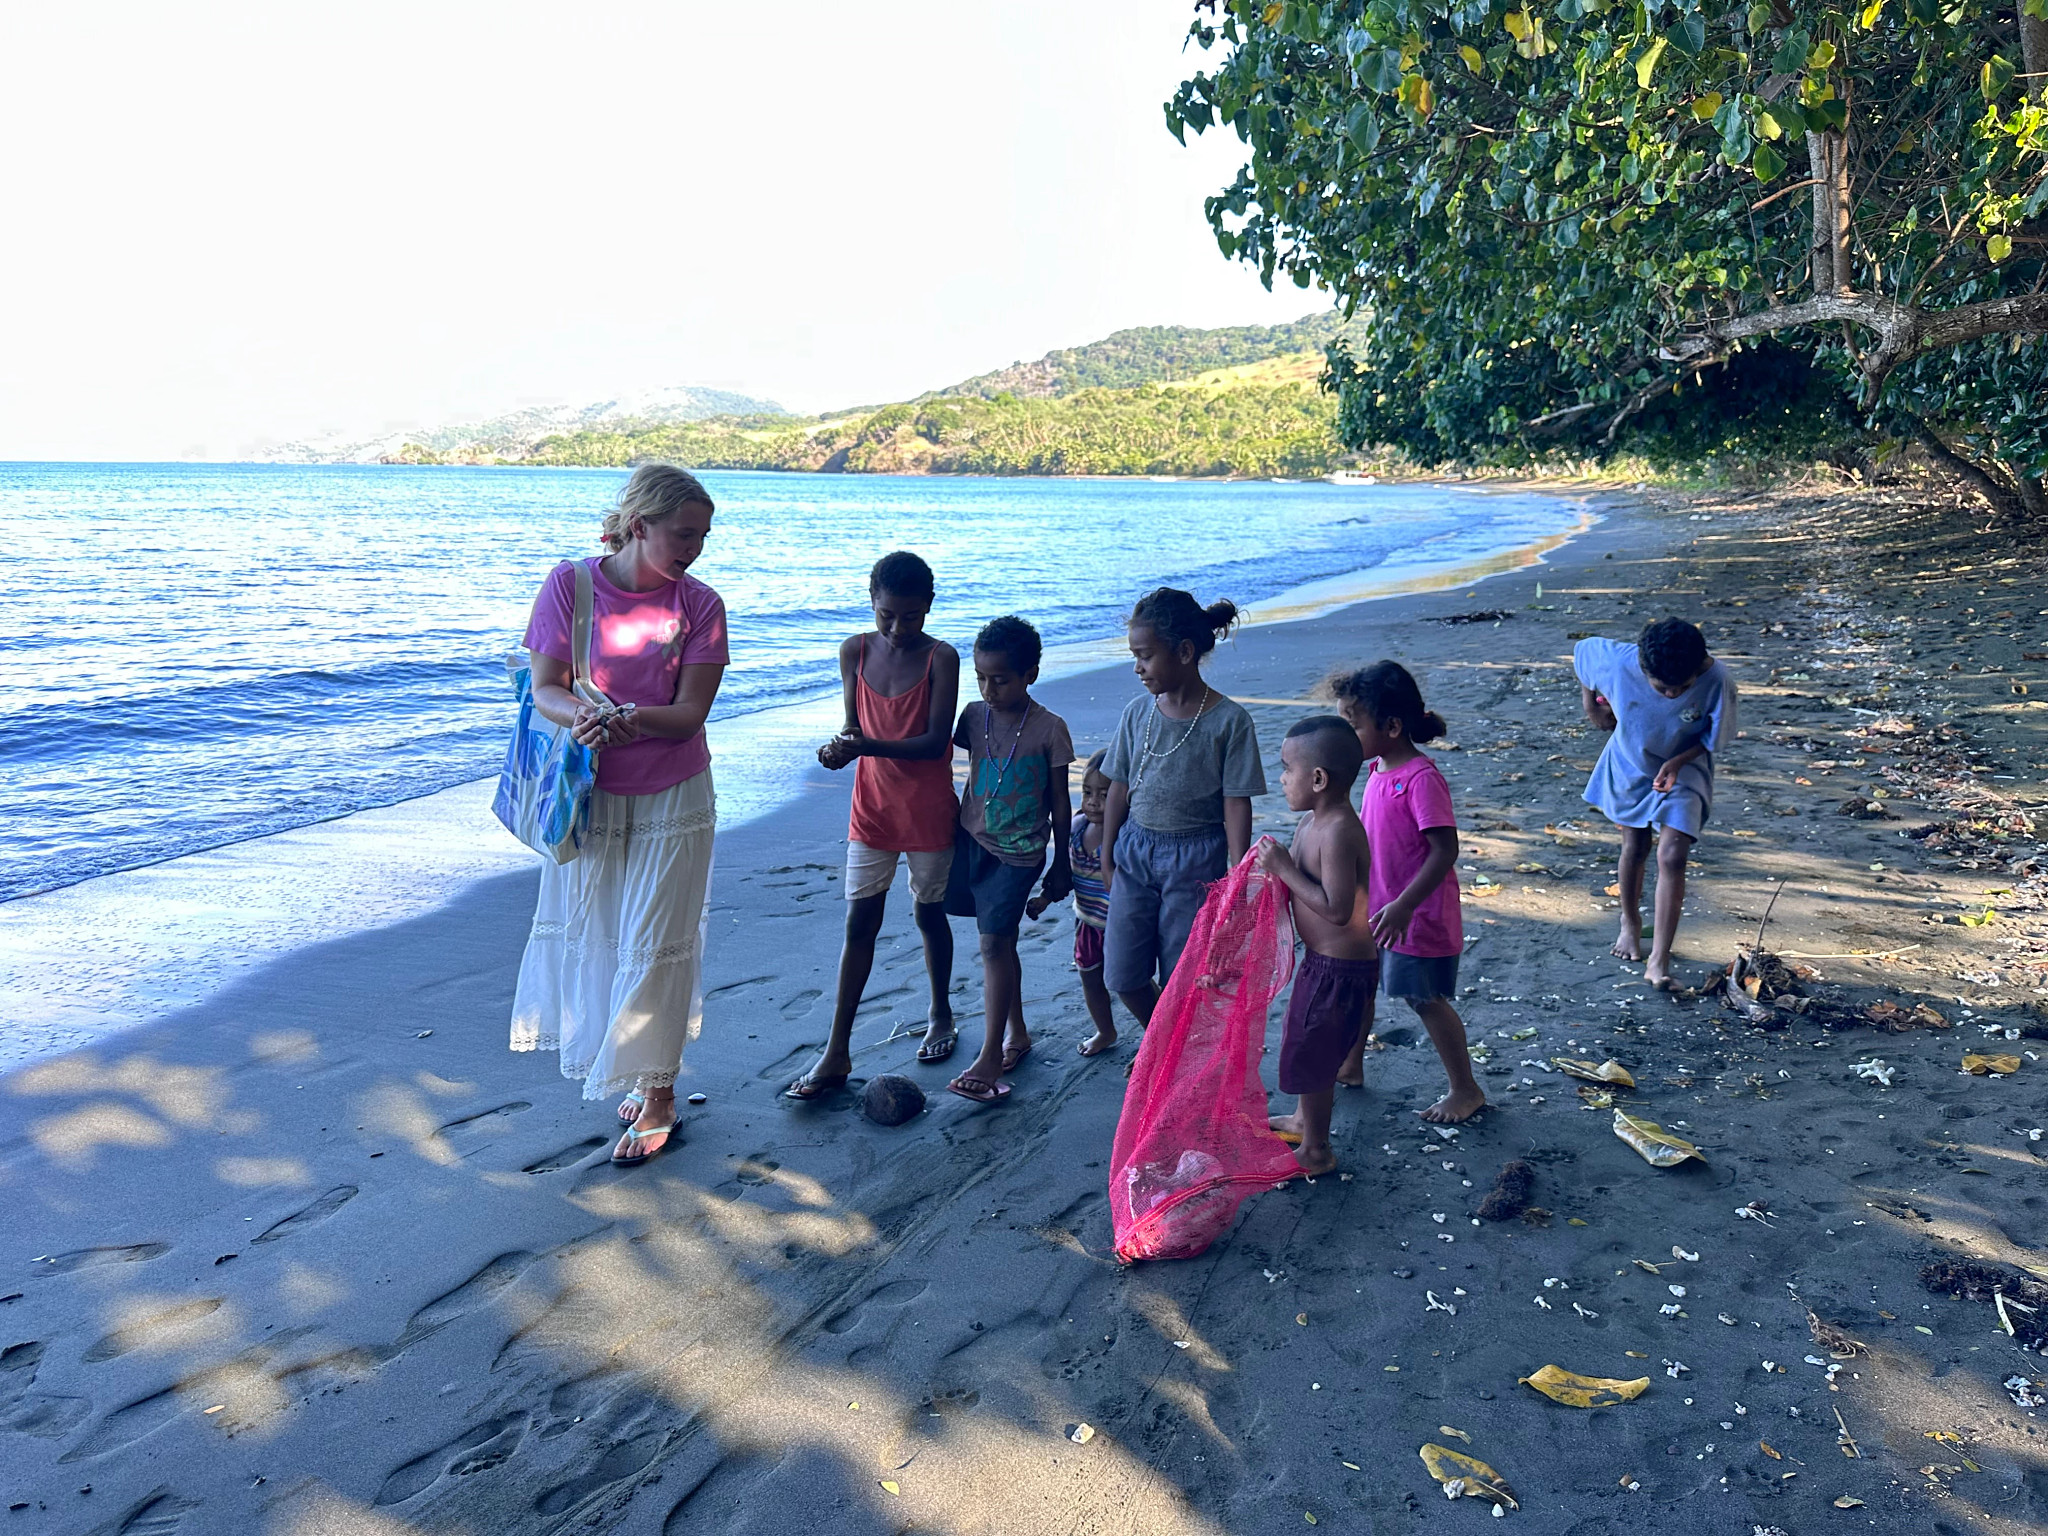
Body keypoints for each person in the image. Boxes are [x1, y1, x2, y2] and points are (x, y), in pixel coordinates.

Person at [510, 463, 728, 1166]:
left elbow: (692, 712)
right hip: (591, 791)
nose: (695, 547)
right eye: (683, 534)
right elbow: (543, 687)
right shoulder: (568, 586)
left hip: (676, 793)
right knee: (603, 935)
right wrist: (585, 717)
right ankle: (640, 1069)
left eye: (703, 535)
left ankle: (659, 1092)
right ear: (640, 526)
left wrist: (627, 721)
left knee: (657, 942)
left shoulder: (701, 604)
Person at [787, 551, 960, 1099]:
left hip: (928, 808)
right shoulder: (854, 651)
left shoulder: (942, 658)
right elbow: (851, 727)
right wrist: (838, 749)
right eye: (887, 614)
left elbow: (935, 742)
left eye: (911, 616)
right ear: (871, 603)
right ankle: (836, 1050)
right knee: (859, 924)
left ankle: (940, 1013)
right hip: (872, 809)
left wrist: (868, 746)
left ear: (928, 608)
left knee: (929, 916)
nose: (898, 627)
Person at [1100, 588, 1267, 1028]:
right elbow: (1118, 786)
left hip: (1197, 860)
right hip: (1134, 853)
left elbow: (1235, 802)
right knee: (1122, 973)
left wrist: (1236, 875)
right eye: (1134, 655)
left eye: (1146, 656)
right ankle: (1162, 1040)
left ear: (1185, 652)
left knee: (1182, 974)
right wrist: (1106, 854)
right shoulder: (1138, 713)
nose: (1137, 667)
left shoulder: (1229, 721)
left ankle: (1167, 1053)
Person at [1329, 661, 1484, 1124]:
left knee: (1424, 999)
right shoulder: (1376, 769)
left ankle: (1466, 1088)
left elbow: (1444, 850)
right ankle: (1351, 1064)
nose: (1345, 734)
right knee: (1362, 988)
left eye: (1352, 724)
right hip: (1378, 910)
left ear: (1392, 726)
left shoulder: (1420, 778)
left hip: (1415, 915)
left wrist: (1405, 905)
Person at [942, 616, 1074, 1104]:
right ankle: (1017, 1034)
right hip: (971, 842)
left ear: (1029, 674)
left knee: (993, 945)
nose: (989, 688)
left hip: (1020, 855)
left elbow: (1061, 801)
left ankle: (992, 1052)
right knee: (1001, 943)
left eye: (1000, 678)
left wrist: (1062, 863)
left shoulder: (1049, 729)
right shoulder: (972, 717)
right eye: (980, 677)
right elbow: (943, 764)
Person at [1575, 617, 1736, 988]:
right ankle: (1630, 923)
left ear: (1699, 667)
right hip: (1630, 761)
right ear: (1643, 668)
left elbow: (1714, 739)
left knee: (1673, 854)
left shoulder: (1718, 680)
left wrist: (1678, 762)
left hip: (1686, 763)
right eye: (1662, 687)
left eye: (1683, 687)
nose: (1671, 695)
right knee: (1635, 845)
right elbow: (1581, 654)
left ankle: (1659, 958)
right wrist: (1592, 708)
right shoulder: (1618, 662)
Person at [1255, 716, 1376, 1175]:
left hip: (1340, 970)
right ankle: (1304, 1119)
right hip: (1320, 964)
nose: (1282, 778)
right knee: (1304, 1041)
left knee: (1314, 1052)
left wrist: (1283, 869)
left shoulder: (1340, 829)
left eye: (1288, 769)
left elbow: (1338, 908)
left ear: (1318, 779)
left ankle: (1317, 1150)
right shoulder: (1311, 821)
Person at [1028, 750, 1116, 1058]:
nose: (1093, 802)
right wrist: (1044, 898)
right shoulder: (1077, 828)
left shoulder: (1125, 835)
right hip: (1088, 923)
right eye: (1088, 792)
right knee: (1090, 979)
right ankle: (1105, 1030)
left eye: (1104, 795)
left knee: (1135, 983)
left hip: (1120, 926)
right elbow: (1065, 877)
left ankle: (1154, 1034)